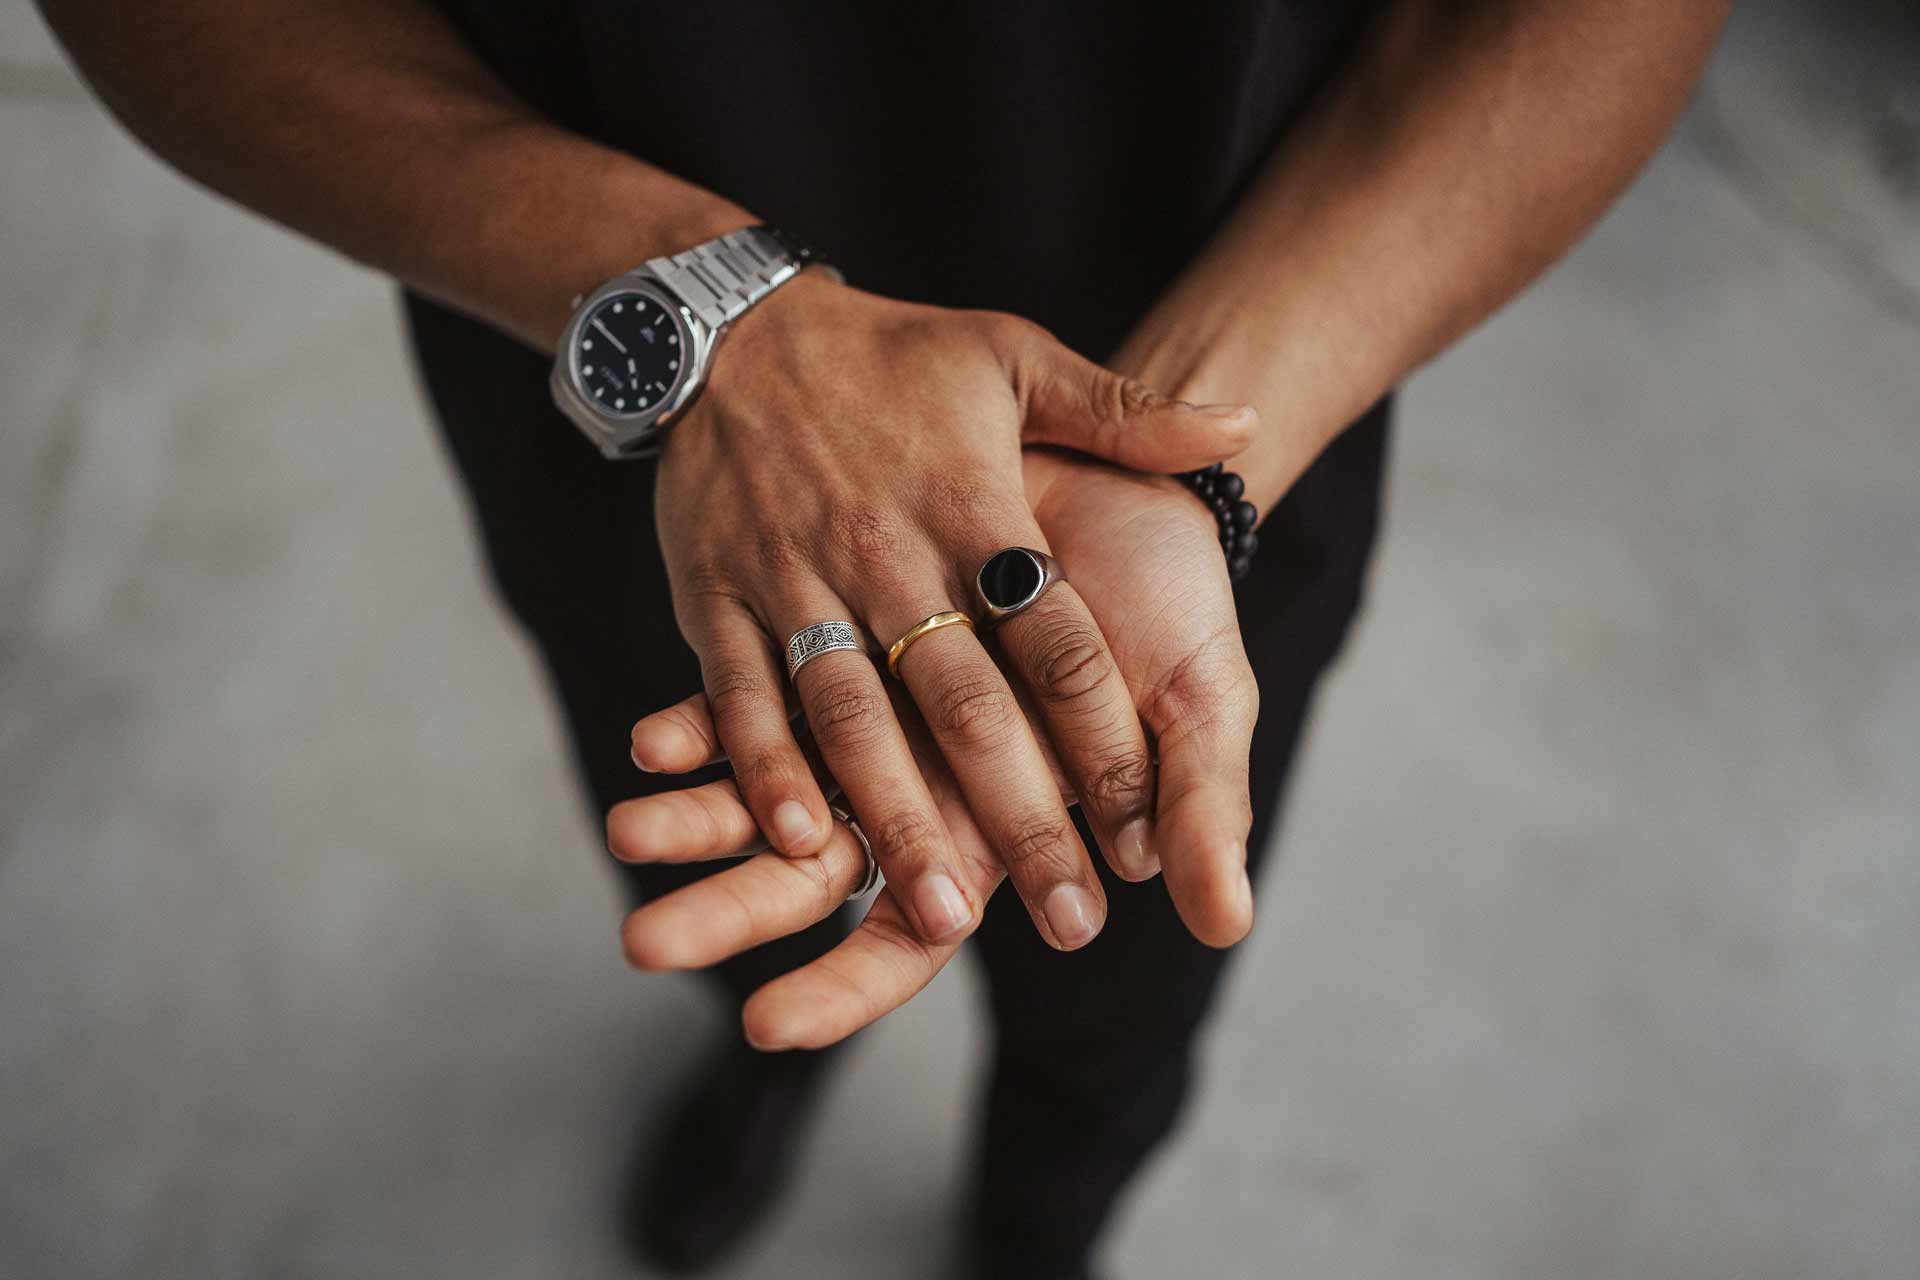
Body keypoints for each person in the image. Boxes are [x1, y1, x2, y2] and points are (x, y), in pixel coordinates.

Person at [41, 1, 1730, 1275]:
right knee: (745, 878)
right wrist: (715, 320)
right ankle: (761, 1073)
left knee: (1121, 961)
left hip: (1224, 405)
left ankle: (1041, 1228)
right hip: (663, 457)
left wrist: (1170, 457)